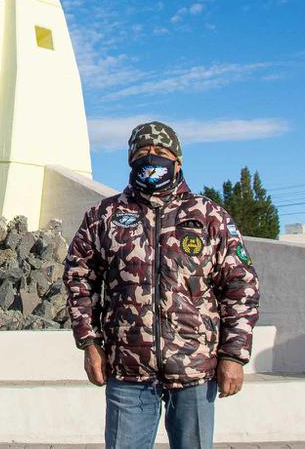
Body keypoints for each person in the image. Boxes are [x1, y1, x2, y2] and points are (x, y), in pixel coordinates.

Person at [64, 122, 260, 449]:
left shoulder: (209, 215)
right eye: (143, 152)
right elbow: (78, 276)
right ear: (130, 160)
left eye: (161, 153)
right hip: (128, 372)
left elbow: (241, 285)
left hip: (195, 370)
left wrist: (234, 355)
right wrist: (89, 342)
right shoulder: (104, 216)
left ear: (178, 161)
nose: (151, 158)